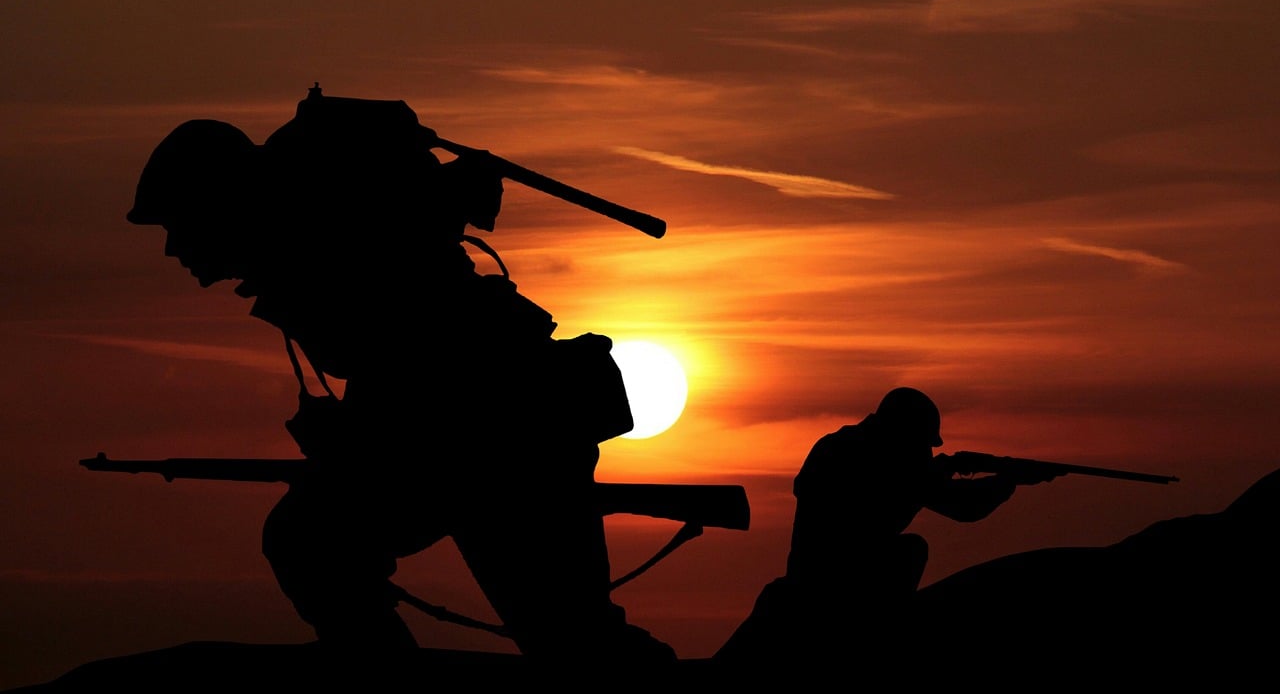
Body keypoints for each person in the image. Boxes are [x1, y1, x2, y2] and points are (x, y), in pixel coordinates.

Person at [127, 86, 674, 663]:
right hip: (486, 432)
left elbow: (428, 363)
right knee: (310, 541)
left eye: (175, 223)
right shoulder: (304, 242)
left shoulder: (321, 234)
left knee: (572, 638)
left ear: (216, 201)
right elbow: (402, 366)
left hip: (510, 433)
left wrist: (354, 442)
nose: (172, 248)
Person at [715, 386, 1049, 664]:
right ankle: (880, 631)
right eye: (923, 442)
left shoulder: (835, 445)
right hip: (842, 584)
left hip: (807, 574)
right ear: (906, 432)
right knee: (912, 549)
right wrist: (1007, 481)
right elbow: (965, 507)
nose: (926, 452)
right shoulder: (888, 460)